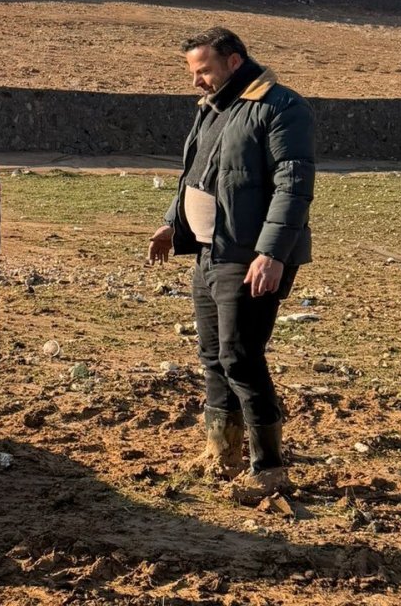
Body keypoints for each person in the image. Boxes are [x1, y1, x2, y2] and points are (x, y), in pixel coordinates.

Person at [148, 27, 315, 504]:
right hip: (208, 252)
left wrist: (272, 253)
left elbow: (293, 188)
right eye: (193, 73)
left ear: (234, 61)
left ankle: (269, 467)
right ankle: (220, 449)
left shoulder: (281, 108)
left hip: (249, 257)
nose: (197, 82)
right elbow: (196, 178)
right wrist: (171, 224)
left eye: (204, 71)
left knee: (240, 356)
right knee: (213, 357)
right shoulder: (215, 109)